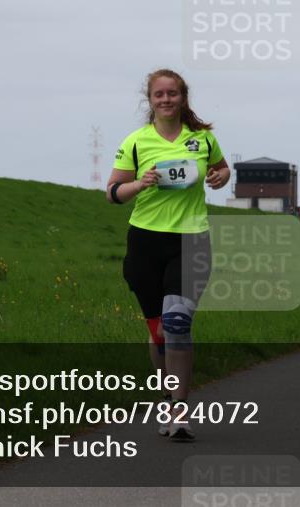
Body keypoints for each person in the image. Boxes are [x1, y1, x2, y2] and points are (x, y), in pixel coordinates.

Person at [106, 68, 230, 440]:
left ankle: (179, 411)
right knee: (159, 332)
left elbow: (222, 170)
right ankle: (166, 398)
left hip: (191, 239)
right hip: (145, 242)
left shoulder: (203, 140)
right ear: (150, 99)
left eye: (172, 94)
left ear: (183, 97)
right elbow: (112, 193)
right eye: (159, 94)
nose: (165, 100)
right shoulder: (137, 142)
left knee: (178, 324)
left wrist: (221, 177)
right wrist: (138, 184)